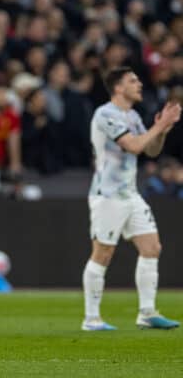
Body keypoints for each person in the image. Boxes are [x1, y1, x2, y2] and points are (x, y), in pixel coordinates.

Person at [82, 66, 181, 331]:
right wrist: (157, 126)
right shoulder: (105, 114)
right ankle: (91, 319)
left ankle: (147, 313)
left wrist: (163, 130)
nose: (139, 84)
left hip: (130, 194)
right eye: (132, 81)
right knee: (103, 254)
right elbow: (133, 145)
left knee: (152, 248)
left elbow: (150, 150)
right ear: (118, 88)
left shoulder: (133, 115)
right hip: (108, 195)